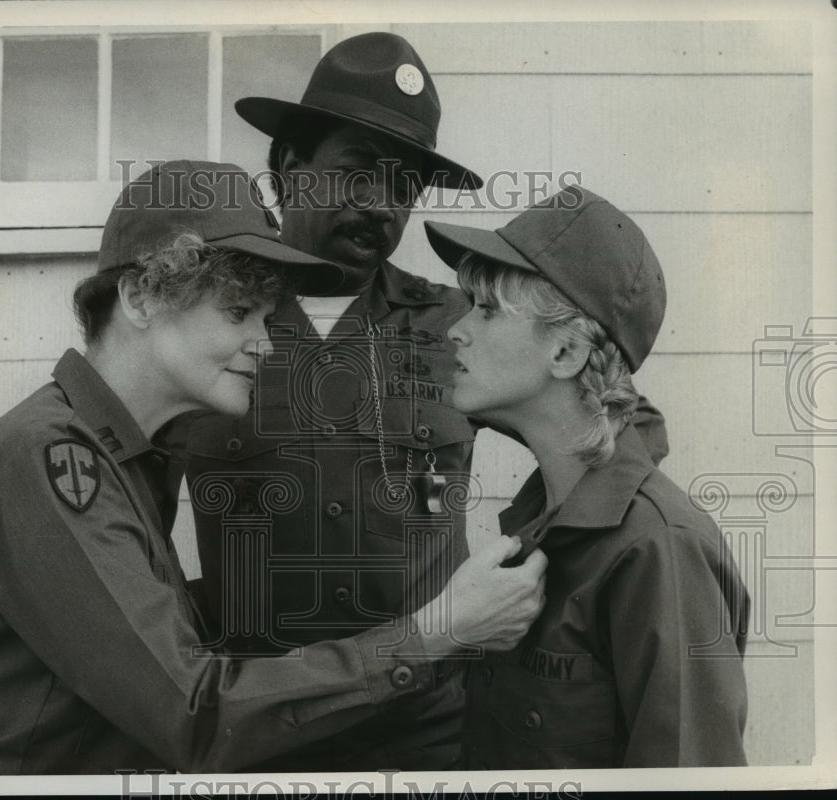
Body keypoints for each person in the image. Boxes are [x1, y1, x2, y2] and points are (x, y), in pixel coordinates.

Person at [0, 161, 548, 776]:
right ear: (139, 297)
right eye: (239, 314)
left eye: (268, 318)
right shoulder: (49, 459)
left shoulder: (124, 454)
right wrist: (438, 632)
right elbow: (195, 714)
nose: (267, 345)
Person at [180, 33, 668, 771]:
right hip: (261, 733)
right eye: (354, 173)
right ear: (288, 167)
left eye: (403, 184)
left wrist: (546, 569)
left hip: (430, 733)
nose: (380, 203)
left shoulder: (458, 328)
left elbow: (615, 420)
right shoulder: (211, 333)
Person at [425, 185, 750, 768]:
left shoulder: (658, 548)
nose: (456, 329)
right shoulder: (537, 523)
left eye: (488, 308)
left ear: (566, 354)